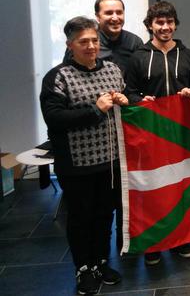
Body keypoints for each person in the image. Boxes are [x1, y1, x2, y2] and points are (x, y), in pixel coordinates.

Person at [40, 16, 128, 295]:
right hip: (76, 165)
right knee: (80, 217)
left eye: (94, 40)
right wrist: (95, 110)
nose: (90, 46)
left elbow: (123, 103)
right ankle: (83, 268)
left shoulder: (113, 69)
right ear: (70, 45)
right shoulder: (58, 77)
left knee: (104, 215)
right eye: (83, 42)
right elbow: (54, 118)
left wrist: (126, 101)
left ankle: (101, 262)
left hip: (110, 161)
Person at [126, 1, 190, 265]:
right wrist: (140, 100)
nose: (165, 27)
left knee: (181, 186)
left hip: (182, 133)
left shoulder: (188, 55)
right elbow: (129, 92)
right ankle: (154, 244)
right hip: (151, 133)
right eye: (159, 22)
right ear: (150, 25)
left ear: (175, 24)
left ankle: (181, 240)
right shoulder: (138, 57)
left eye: (169, 22)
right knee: (154, 188)